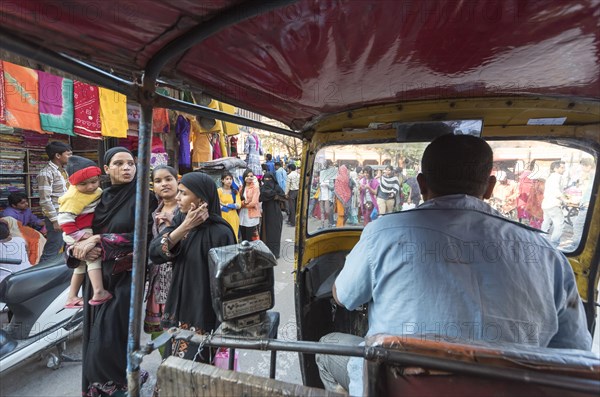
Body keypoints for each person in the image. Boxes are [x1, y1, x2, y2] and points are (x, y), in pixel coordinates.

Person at [316, 133, 591, 395]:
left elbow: (344, 296)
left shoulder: (383, 233)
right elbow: (573, 354)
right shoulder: (547, 254)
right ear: (491, 186)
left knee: (328, 346)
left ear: (421, 184)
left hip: (393, 388)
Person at [70, 147, 157, 396]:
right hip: (97, 273)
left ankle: (118, 382)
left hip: (126, 274)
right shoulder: (98, 197)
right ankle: (106, 383)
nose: (127, 168)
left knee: (110, 332)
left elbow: (145, 237)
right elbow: (77, 229)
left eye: (131, 163)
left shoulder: (144, 197)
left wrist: (100, 239)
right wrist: (80, 248)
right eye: (119, 164)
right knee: (94, 329)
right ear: (107, 170)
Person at [149, 172, 236, 361]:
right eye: (178, 192)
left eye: (184, 193)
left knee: (197, 369)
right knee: (174, 368)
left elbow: (228, 283)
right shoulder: (181, 221)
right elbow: (154, 253)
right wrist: (184, 227)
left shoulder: (221, 232)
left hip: (204, 312)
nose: (177, 197)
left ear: (201, 199)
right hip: (180, 306)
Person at [58, 156, 112, 309]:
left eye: (94, 182)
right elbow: (64, 221)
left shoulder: (96, 191)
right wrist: (81, 238)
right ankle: (98, 291)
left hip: (81, 231)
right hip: (77, 231)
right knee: (93, 258)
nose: (90, 187)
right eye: (83, 184)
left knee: (80, 266)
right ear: (73, 183)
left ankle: (71, 296)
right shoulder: (72, 197)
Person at [144, 165, 179, 340]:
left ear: (177, 181)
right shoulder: (155, 210)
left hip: (179, 277)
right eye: (158, 181)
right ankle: (166, 364)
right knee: (158, 335)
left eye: (168, 179)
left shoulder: (185, 209)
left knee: (179, 333)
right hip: (157, 278)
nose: (163, 184)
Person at [37, 141, 72, 262]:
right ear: (58, 155)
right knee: (52, 250)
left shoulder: (63, 171)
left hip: (66, 214)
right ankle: (39, 277)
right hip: (57, 216)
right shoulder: (46, 173)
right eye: (68, 154)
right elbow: (45, 200)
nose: (70, 157)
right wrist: (55, 220)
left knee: (65, 248)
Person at [568, 158, 595, 249]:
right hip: (586, 203)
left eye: (583, 166)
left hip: (587, 205)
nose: (582, 168)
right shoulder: (591, 175)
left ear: (589, 166)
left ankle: (575, 245)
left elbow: (592, 191)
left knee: (578, 225)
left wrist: (589, 202)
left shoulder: (594, 175)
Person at [260, 172, 285, 258]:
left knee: (275, 233)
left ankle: (275, 253)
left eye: (269, 179)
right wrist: (273, 194)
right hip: (265, 214)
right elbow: (261, 197)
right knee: (266, 233)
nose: (267, 181)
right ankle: (267, 252)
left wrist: (276, 196)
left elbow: (284, 196)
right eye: (265, 179)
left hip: (275, 213)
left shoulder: (277, 187)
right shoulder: (262, 188)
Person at [541, 161, 567, 246]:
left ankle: (541, 241)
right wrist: (564, 200)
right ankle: (554, 244)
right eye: (562, 167)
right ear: (556, 169)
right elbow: (556, 191)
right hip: (553, 204)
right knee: (559, 225)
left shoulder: (551, 176)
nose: (564, 169)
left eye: (564, 167)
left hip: (546, 204)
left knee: (546, 223)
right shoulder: (557, 176)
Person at [218, 171, 241, 241]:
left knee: (234, 236)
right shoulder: (218, 191)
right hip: (222, 217)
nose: (229, 181)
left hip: (233, 217)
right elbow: (216, 203)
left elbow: (238, 205)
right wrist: (223, 207)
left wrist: (226, 205)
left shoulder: (235, 192)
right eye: (227, 179)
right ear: (222, 180)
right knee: (223, 236)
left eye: (230, 179)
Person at [239, 169, 261, 241]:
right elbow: (238, 201)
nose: (249, 177)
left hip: (252, 216)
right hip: (242, 216)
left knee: (252, 238)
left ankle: (252, 252)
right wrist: (244, 203)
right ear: (244, 177)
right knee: (244, 237)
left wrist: (243, 204)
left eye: (251, 176)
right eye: (247, 176)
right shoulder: (241, 188)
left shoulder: (255, 188)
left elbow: (254, 202)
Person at [318, 160, 337, 228]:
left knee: (328, 211)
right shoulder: (322, 173)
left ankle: (330, 223)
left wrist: (327, 185)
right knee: (322, 211)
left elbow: (332, 188)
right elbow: (318, 186)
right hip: (321, 195)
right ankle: (322, 225)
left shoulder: (332, 177)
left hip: (328, 196)